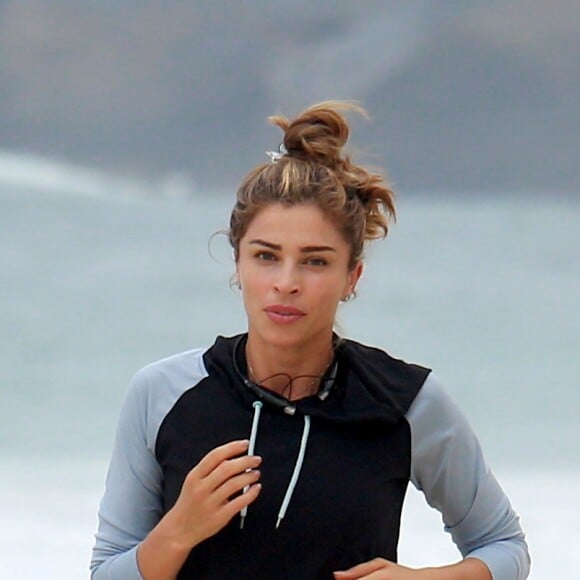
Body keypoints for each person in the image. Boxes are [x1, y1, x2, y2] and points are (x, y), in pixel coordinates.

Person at [91, 101, 530, 579]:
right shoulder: (162, 392)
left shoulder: (406, 402)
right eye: (265, 256)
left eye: (315, 261)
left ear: (352, 276)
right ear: (238, 264)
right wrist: (176, 531)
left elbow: (504, 547)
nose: (286, 282)